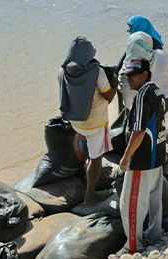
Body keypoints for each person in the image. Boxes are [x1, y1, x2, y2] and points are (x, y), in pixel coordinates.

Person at [109, 59, 167, 259]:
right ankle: (155, 236)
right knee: (153, 200)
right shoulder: (158, 91)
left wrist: (125, 160)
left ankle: (132, 247)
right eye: (126, 75)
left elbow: (138, 131)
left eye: (132, 75)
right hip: (157, 156)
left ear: (145, 74)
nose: (128, 79)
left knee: (130, 205)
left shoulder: (142, 95)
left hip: (142, 160)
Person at [59, 36, 117, 205]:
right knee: (97, 158)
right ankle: (90, 196)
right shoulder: (96, 71)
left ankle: (87, 175)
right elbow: (109, 96)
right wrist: (113, 83)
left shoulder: (62, 72)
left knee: (89, 150)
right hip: (96, 123)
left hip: (76, 121)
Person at [118, 32, 168, 113]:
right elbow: (167, 67)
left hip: (138, 109)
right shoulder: (162, 55)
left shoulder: (125, 70)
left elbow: (122, 89)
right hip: (165, 101)